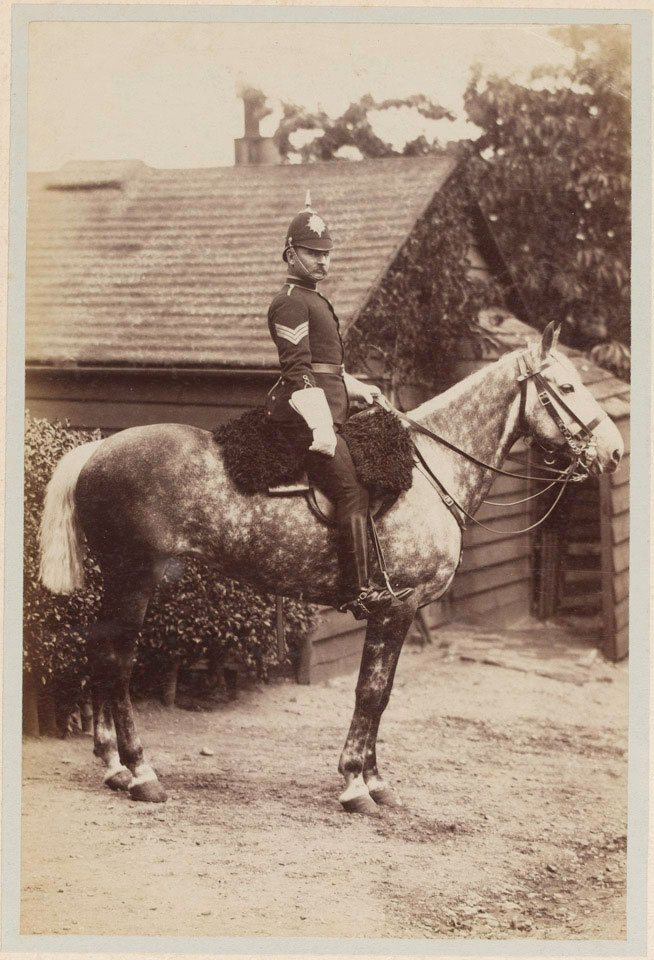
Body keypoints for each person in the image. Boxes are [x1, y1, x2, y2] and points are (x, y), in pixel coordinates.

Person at [265, 194, 413, 620]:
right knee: (352, 491)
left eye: (327, 254)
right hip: (302, 418)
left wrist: (358, 387)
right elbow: (298, 371)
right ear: (291, 253)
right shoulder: (290, 301)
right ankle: (357, 592)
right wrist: (321, 428)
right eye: (314, 253)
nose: (323, 262)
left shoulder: (313, 298)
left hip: (329, 409)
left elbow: (325, 368)